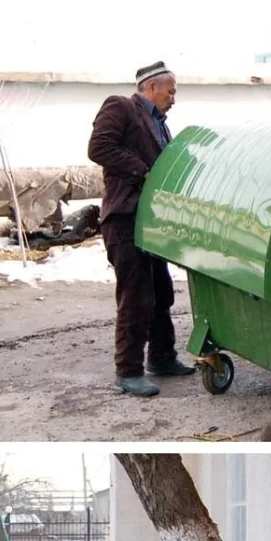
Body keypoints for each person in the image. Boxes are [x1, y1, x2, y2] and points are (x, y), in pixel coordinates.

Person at [88, 60, 194, 397]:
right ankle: (128, 371)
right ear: (151, 87)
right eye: (171, 90)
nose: (174, 98)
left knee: (161, 292)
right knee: (136, 297)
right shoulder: (121, 107)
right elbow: (99, 148)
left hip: (150, 223)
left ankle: (162, 358)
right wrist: (144, 171)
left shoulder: (161, 125)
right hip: (125, 217)